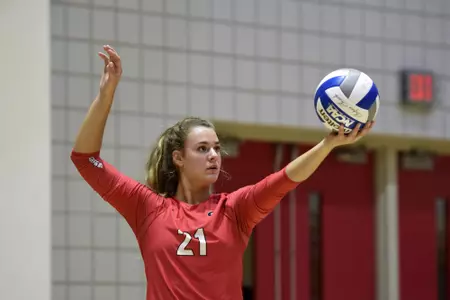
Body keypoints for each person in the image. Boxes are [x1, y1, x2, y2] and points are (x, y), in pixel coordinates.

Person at [70, 45, 374, 300]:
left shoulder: (235, 210)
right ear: (178, 157)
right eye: (202, 149)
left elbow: (284, 180)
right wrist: (106, 95)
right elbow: (85, 160)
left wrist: (327, 144)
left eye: (217, 148)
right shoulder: (147, 208)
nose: (214, 155)